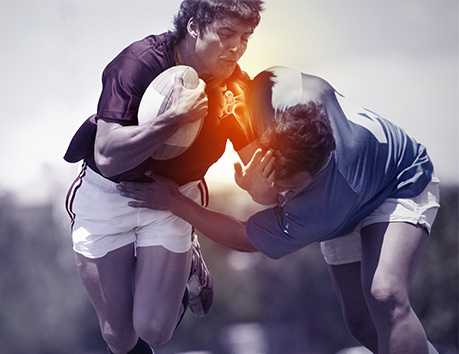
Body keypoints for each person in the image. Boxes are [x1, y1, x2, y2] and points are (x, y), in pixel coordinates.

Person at [118, 66, 441, 354]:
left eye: (293, 188)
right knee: (360, 322)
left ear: (316, 171)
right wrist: (260, 188)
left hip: (398, 182)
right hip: (345, 202)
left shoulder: (319, 208)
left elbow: (245, 238)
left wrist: (175, 202)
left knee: (385, 295)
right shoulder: (270, 92)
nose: (283, 192)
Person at [63, 1, 264, 353]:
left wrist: (256, 182)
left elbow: (257, 164)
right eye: (227, 34)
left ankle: (186, 257)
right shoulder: (138, 63)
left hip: (174, 198)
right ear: (195, 26)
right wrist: (173, 120)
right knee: (119, 337)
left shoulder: (236, 89)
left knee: (155, 330)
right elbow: (108, 156)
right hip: (110, 193)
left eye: (246, 37)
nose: (237, 47)